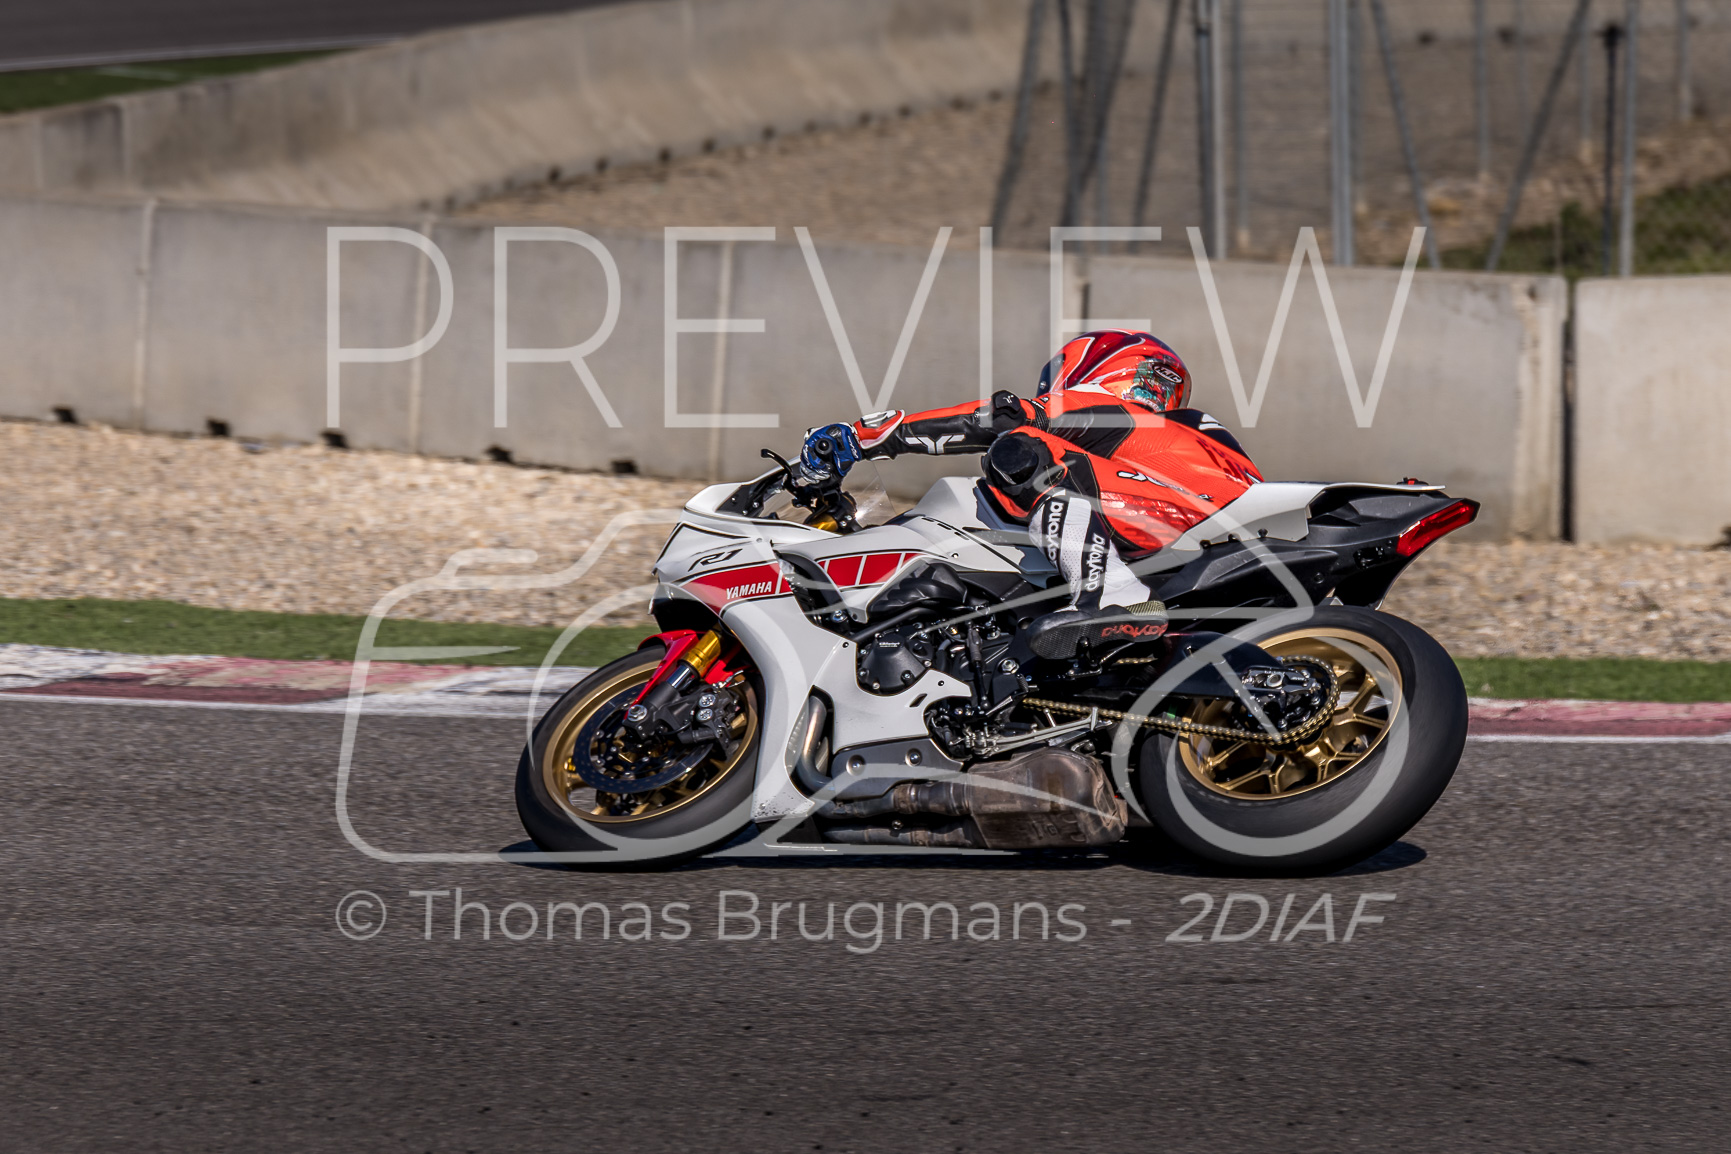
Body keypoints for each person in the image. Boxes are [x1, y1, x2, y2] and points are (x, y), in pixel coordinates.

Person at [796, 329, 1264, 658]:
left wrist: (862, 438)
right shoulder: (1187, 439)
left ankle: (1111, 593)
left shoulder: (1110, 409)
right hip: (1202, 535)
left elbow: (1005, 416)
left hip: (1184, 524)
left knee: (1021, 448)